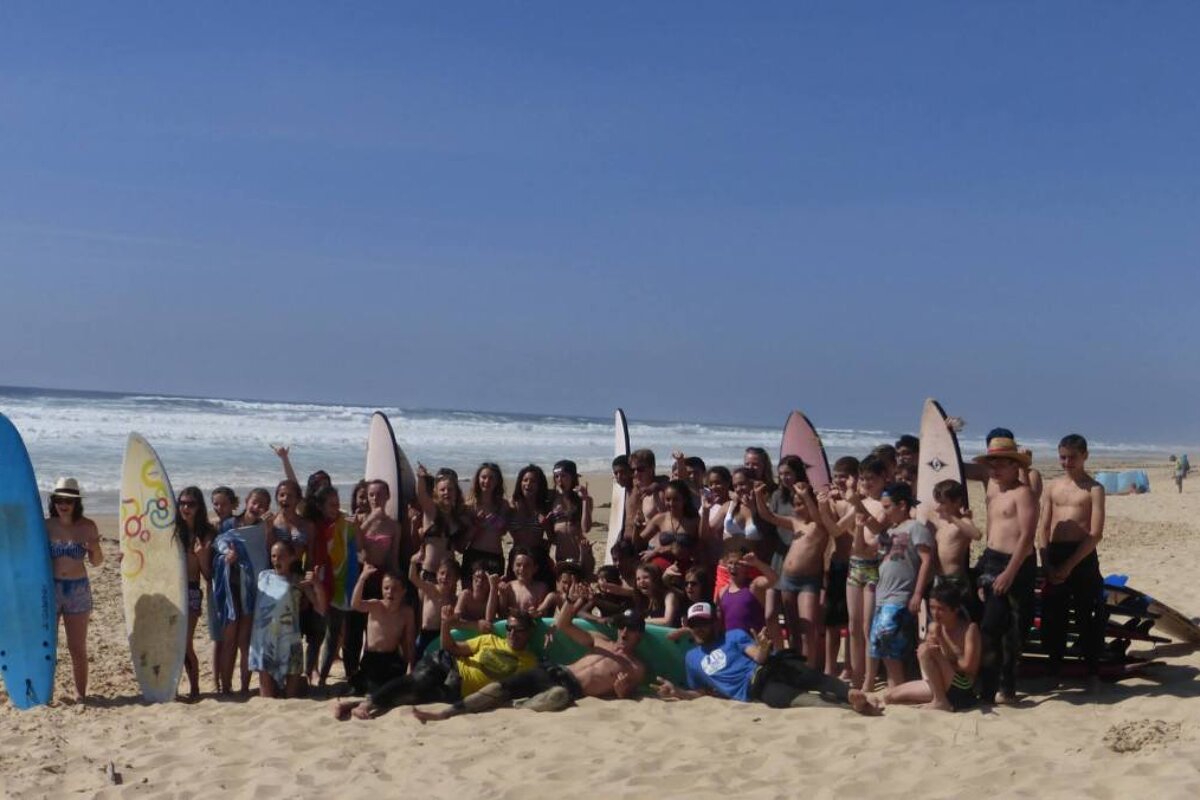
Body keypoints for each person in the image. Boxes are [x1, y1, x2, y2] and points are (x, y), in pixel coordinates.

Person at [412, 585, 646, 721]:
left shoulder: (635, 667)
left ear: (639, 635)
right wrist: (572, 601)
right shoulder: (601, 641)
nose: (624, 632)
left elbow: (626, 694)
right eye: (622, 626)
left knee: (557, 697)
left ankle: (518, 706)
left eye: (631, 629)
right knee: (499, 688)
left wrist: (622, 692)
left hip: (573, 689)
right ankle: (446, 713)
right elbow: (564, 624)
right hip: (555, 671)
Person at [333, 607, 538, 720]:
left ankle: (358, 702)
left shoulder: (530, 662)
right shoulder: (491, 640)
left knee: (414, 697)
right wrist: (446, 625)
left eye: (518, 629)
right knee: (417, 682)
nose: (512, 633)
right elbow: (452, 648)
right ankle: (368, 705)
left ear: (528, 633)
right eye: (509, 628)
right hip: (447, 664)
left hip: (456, 692)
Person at [654, 602, 861, 711]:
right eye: (694, 624)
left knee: (813, 678)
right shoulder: (691, 658)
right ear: (688, 626)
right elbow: (701, 693)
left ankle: (850, 694)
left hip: (771, 666)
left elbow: (759, 658)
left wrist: (762, 647)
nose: (699, 629)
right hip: (755, 688)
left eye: (703, 623)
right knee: (803, 701)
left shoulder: (733, 635)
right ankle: (848, 707)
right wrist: (678, 692)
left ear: (714, 623)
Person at [972, 435, 1038, 704]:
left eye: (1000, 465)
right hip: (992, 559)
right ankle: (988, 686)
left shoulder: (1023, 493)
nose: (995, 470)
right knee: (989, 627)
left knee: (1013, 630)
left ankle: (1007, 689)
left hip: (1017, 564)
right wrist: (983, 572)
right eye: (992, 465)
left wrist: (1009, 573)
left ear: (1014, 466)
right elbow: (992, 533)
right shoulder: (994, 492)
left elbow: (1026, 536)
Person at [1038, 434, 1105, 688]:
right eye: (1063, 457)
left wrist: (1070, 565)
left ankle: (1092, 670)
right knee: (1053, 616)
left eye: (1072, 457)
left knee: (1088, 614)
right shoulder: (1053, 486)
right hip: (1055, 553)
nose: (1067, 462)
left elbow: (1095, 533)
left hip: (1082, 556)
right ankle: (1054, 667)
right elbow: (1043, 527)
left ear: (1085, 456)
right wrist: (1046, 560)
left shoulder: (1094, 489)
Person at [850, 584, 981, 714]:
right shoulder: (934, 628)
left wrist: (940, 655)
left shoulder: (969, 630)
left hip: (963, 687)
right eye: (932, 608)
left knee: (925, 650)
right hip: (939, 684)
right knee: (890, 696)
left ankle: (941, 701)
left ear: (955, 609)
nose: (935, 613)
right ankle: (868, 704)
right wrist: (937, 645)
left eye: (941, 609)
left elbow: (969, 667)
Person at [865, 483, 933, 691]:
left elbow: (927, 560)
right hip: (883, 593)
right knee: (882, 643)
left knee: (889, 640)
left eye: (887, 507)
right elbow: (866, 549)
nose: (884, 512)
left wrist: (918, 593)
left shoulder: (915, 528)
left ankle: (898, 685)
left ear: (902, 505)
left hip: (900, 594)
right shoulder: (890, 531)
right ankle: (895, 684)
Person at [753, 478, 829, 662]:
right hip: (788, 579)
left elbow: (818, 518)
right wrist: (758, 496)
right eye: (795, 504)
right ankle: (796, 664)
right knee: (793, 626)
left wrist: (806, 496)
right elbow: (768, 516)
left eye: (801, 504)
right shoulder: (795, 523)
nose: (797, 508)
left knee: (808, 626)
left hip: (808, 581)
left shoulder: (820, 524)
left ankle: (810, 667)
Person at [45, 478, 102, 702]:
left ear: (76, 503)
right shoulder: (46, 526)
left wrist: (95, 547)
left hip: (78, 590)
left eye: (68, 500)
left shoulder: (88, 526)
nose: (63, 504)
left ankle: (80, 694)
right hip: (51, 590)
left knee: (76, 647)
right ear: (54, 502)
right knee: (47, 645)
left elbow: (97, 562)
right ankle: (45, 692)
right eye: (59, 499)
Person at [250, 540, 327, 698]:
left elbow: (321, 608)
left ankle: (302, 684)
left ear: (292, 557)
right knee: (267, 698)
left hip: (290, 641)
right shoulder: (263, 576)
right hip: (265, 643)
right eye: (273, 556)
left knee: (291, 697)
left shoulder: (299, 581)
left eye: (281, 556)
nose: (276, 560)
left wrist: (317, 584)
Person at [839, 455, 887, 690]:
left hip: (873, 567)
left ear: (882, 479)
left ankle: (870, 676)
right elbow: (837, 529)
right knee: (853, 625)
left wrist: (856, 502)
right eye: (864, 478)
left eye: (872, 478)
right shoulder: (861, 501)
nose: (867, 483)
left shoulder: (884, 503)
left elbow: (877, 527)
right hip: (855, 566)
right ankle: (857, 674)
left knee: (869, 626)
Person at [310, 485, 363, 690]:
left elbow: (359, 547)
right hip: (323, 585)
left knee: (339, 635)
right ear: (321, 506)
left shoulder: (346, 523)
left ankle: (327, 677)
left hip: (346, 585)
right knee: (322, 634)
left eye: (337, 503)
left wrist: (357, 527)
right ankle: (317, 675)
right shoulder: (316, 526)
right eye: (331, 504)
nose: (336, 507)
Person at [350, 563, 416, 695]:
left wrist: (410, 665)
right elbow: (355, 604)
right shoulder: (376, 605)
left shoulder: (407, 613)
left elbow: (409, 642)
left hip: (391, 658)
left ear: (403, 591)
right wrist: (362, 578)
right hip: (372, 658)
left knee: (398, 689)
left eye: (395, 589)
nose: (389, 592)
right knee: (373, 690)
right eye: (386, 588)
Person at [179, 486, 218, 700]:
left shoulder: (207, 533)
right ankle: (173, 687)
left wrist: (201, 556)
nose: (186, 507)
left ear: (199, 506)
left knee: (184, 643)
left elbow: (209, 575)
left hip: (192, 590)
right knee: (172, 643)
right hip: (171, 591)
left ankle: (194, 689)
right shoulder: (173, 530)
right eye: (182, 503)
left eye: (191, 504)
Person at [927, 480, 982, 600]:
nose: (939, 508)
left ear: (957, 502)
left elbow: (976, 535)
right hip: (939, 578)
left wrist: (953, 518)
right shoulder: (942, 523)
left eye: (943, 503)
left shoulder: (963, 522)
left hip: (955, 579)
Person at [463, 463, 508, 587]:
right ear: (478, 479)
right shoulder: (470, 505)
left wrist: (498, 523)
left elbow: (504, 531)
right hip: (474, 554)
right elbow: (465, 538)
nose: (487, 481)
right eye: (483, 477)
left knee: (492, 596)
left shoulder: (503, 505)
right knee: (471, 594)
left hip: (495, 554)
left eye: (491, 478)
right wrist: (477, 525)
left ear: (497, 481)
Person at [508, 464, 554, 585]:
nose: (528, 484)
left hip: (538, 557)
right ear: (520, 483)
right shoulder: (511, 506)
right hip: (517, 556)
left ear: (539, 485)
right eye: (525, 480)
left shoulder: (545, 507)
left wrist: (546, 525)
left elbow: (553, 538)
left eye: (533, 481)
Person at [549, 460, 593, 572]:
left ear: (573, 477)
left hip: (580, 552)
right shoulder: (552, 498)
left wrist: (584, 500)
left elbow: (586, 528)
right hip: (561, 554)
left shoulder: (582, 499)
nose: (559, 480)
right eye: (556, 476)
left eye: (563, 476)